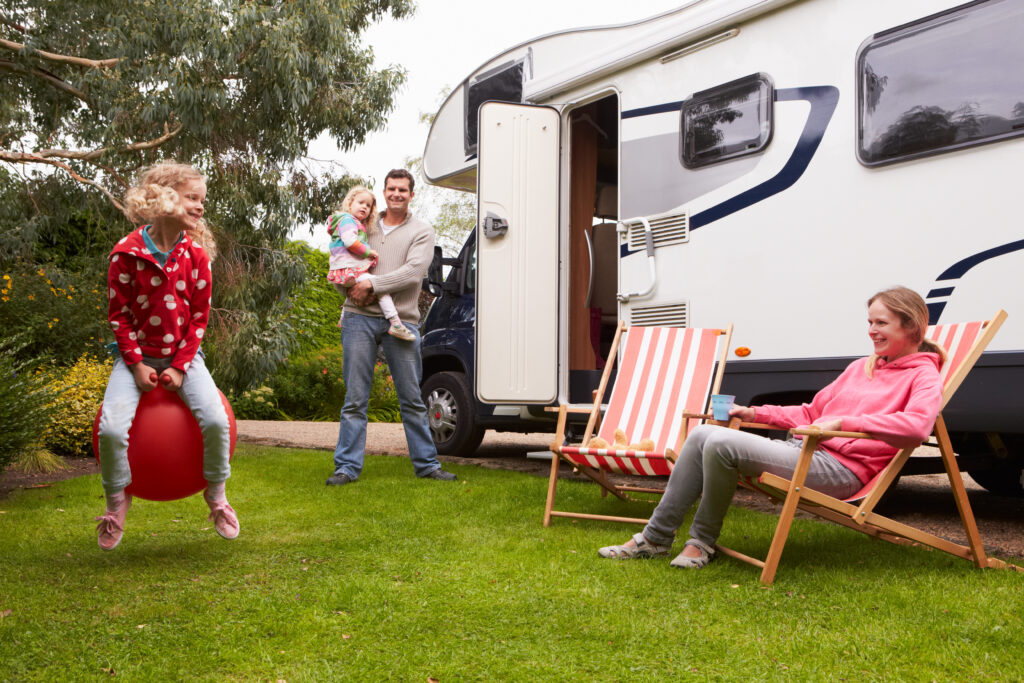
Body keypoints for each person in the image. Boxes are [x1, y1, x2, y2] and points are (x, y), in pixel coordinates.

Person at [598, 286, 944, 569]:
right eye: (869, 322)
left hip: (842, 471)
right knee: (703, 433)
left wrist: (843, 423)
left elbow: (917, 427)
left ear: (910, 326)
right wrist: (752, 413)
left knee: (721, 444)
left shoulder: (924, 374)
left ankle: (700, 542)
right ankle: (656, 538)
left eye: (880, 323)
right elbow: (810, 412)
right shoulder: (862, 367)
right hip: (806, 453)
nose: (871, 331)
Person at [94, 161, 238, 550]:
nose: (200, 206)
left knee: (216, 420)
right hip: (134, 360)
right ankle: (116, 501)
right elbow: (118, 317)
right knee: (110, 429)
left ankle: (217, 494)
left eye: (202, 200)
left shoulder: (197, 256)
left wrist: (178, 366)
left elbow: (199, 319)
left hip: (185, 358)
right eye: (193, 198)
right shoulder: (125, 253)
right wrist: (138, 364)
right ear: (166, 197)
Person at [326, 169, 457, 485]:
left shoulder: (422, 231)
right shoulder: (363, 224)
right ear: (384, 192)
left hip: (403, 320)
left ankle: (427, 465)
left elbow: (413, 274)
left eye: (403, 190)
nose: (396, 194)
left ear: (412, 195)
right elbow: (341, 258)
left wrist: (371, 282)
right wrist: (350, 289)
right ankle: (346, 467)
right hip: (358, 317)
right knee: (355, 398)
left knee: (412, 398)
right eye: (391, 189)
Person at [327, 186, 414, 341]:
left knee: (352, 292)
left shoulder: (350, 222)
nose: (364, 207)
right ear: (349, 204)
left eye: (368, 206)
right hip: (348, 269)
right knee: (379, 287)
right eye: (361, 202)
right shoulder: (347, 220)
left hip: (342, 270)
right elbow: (349, 242)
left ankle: (343, 317)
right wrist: (369, 252)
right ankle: (395, 322)